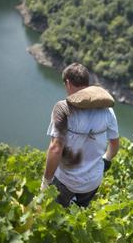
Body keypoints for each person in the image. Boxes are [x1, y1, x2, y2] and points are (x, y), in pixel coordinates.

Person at [40, 63, 120, 207]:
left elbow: (55, 149)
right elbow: (114, 144)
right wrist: (106, 159)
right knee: (78, 218)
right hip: (92, 182)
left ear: (68, 83)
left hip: (66, 181)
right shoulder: (107, 110)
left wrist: (46, 181)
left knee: (54, 217)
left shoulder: (63, 109)